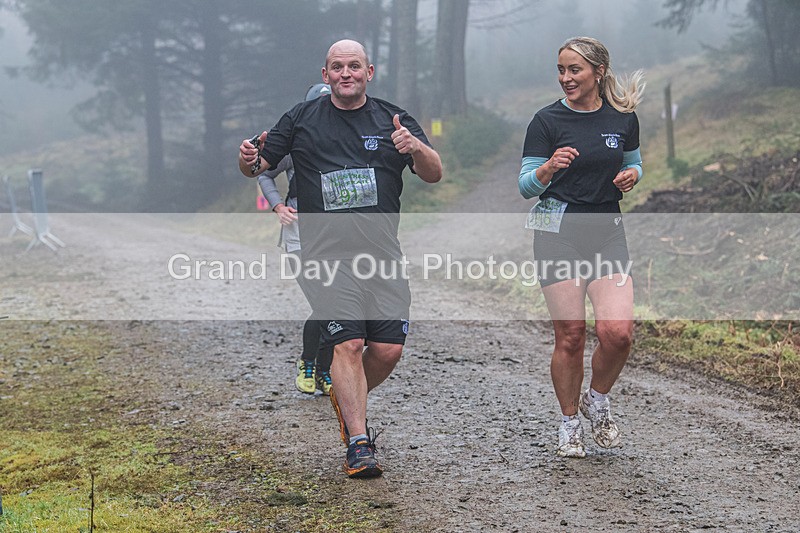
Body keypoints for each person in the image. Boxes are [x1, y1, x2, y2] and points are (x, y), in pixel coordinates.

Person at [239, 39, 442, 478]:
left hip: (382, 253)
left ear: (369, 72)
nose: (345, 73)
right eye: (337, 67)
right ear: (325, 74)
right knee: (348, 343)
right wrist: (248, 159)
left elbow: (433, 173)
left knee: (387, 349)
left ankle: (346, 393)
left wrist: (415, 147)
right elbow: (257, 167)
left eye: (353, 66)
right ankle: (358, 442)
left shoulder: (393, 119)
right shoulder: (300, 118)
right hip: (325, 254)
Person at [518, 36, 644, 458]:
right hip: (558, 234)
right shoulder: (546, 121)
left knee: (618, 334)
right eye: (561, 70)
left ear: (598, 71)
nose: (566, 78)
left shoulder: (623, 118)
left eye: (575, 70)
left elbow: (633, 162)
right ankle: (569, 423)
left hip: (606, 231)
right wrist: (549, 167)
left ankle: (597, 399)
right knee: (570, 335)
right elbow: (525, 186)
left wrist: (633, 176)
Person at [257, 83, 334, 396]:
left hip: (336, 234)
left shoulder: (348, 143)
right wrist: (278, 205)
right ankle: (309, 364)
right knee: (325, 302)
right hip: (299, 234)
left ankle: (325, 371)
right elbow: (263, 173)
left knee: (338, 305)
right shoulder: (294, 146)